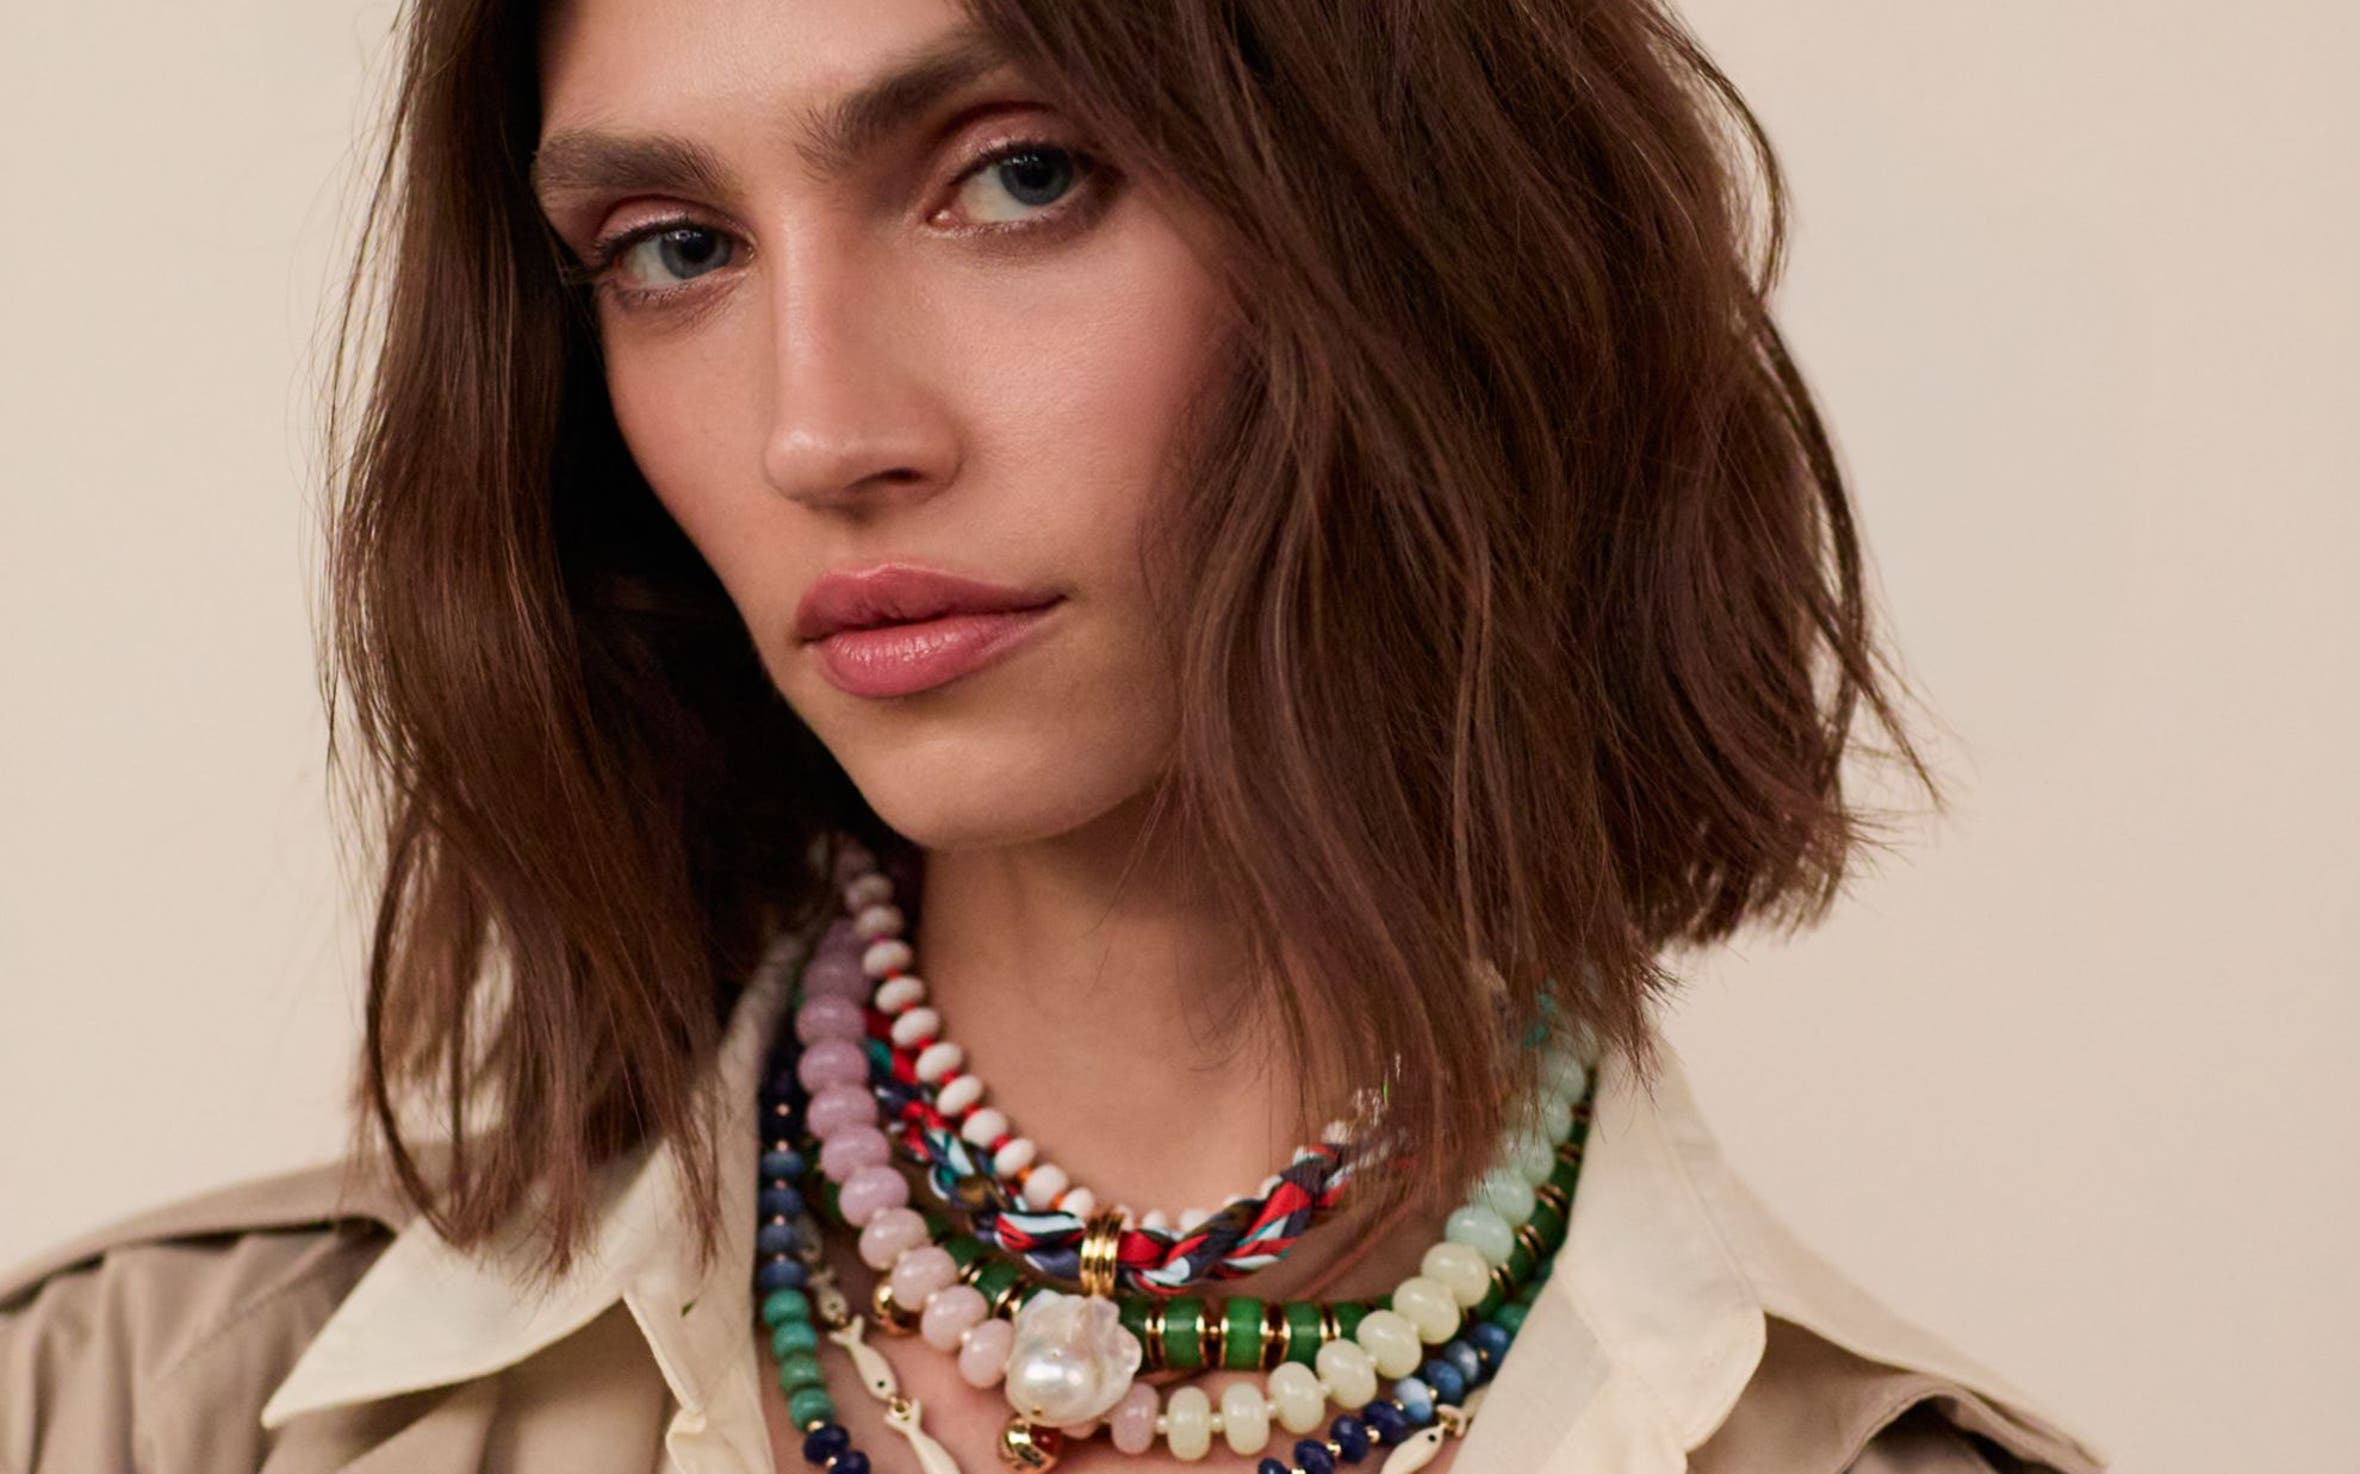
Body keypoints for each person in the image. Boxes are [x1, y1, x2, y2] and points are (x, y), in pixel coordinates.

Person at [0, 0, 2113, 1470]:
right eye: (673, 249)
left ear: (1421, 230)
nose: (820, 426)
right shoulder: (129, 1408)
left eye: (1017, 176)